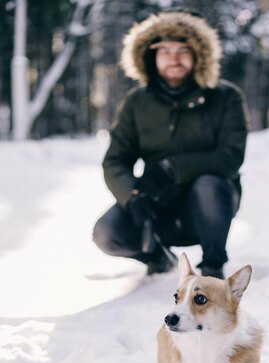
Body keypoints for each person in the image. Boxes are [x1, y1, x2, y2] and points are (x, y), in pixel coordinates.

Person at [93, 9, 249, 279]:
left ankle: (212, 267)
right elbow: (116, 160)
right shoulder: (136, 103)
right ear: (151, 56)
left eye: (182, 51)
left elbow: (230, 157)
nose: (173, 59)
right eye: (165, 51)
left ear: (198, 55)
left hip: (210, 205)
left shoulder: (225, 97)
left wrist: (171, 168)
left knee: (209, 186)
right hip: (158, 202)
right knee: (106, 233)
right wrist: (132, 198)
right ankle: (158, 257)